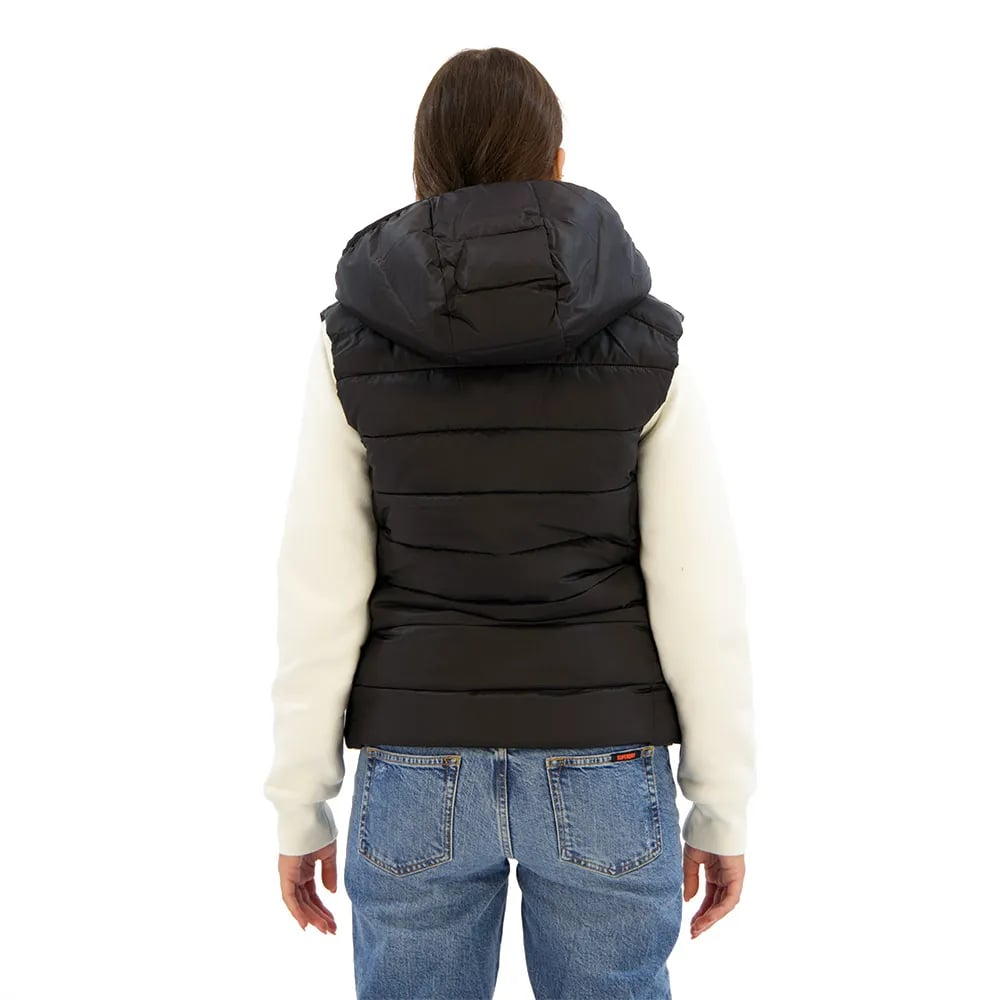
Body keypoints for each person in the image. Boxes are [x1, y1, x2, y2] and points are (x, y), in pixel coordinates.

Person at [263, 46, 756, 1000]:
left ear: (421, 169)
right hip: (605, 758)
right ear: (557, 164)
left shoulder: (351, 347)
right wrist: (721, 806)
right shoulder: (648, 344)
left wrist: (299, 804)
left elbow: (318, 593)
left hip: (416, 761)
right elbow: (701, 595)